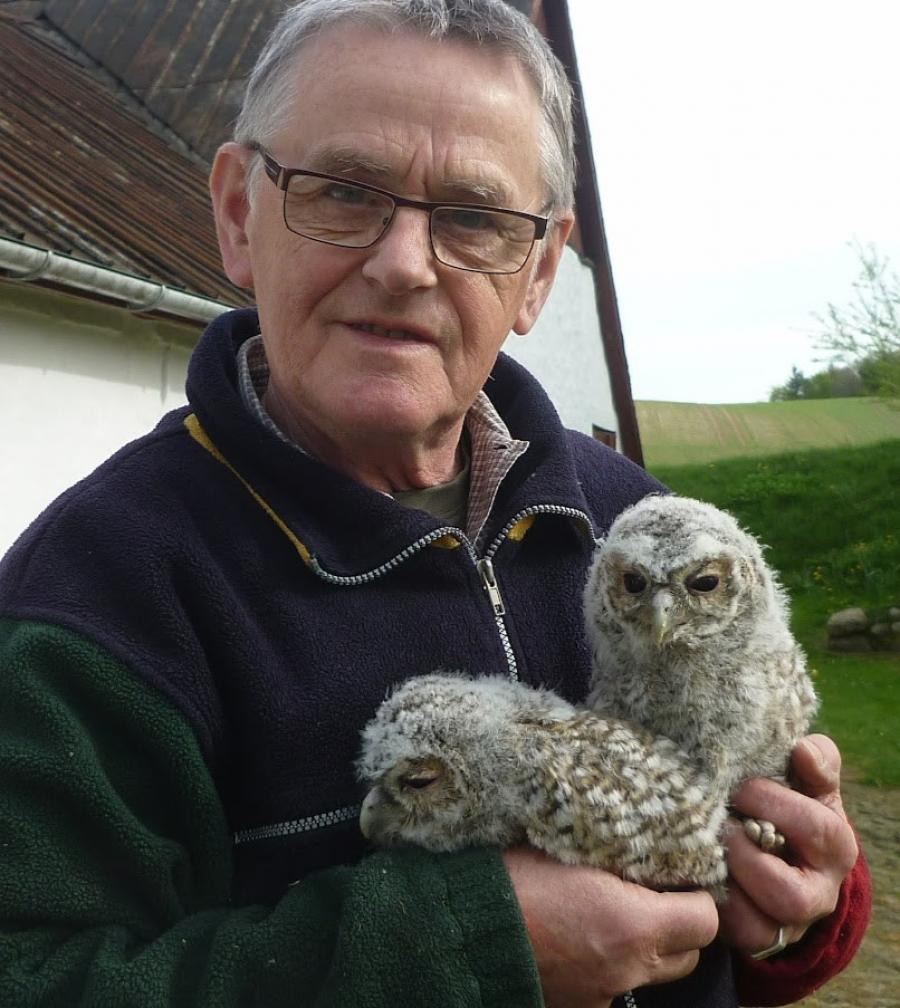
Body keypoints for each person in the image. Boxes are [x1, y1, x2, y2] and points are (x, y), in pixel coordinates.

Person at [0, 2, 869, 1006]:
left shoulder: (631, 527)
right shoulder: (94, 601)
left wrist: (798, 904)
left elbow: (745, 882)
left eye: (473, 218)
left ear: (538, 272)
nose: (405, 263)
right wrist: (460, 950)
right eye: (343, 192)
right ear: (240, 215)